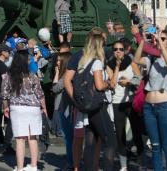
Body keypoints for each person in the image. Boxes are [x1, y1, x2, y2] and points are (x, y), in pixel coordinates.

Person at [64, 27, 116, 171]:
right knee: (110, 141)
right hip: (96, 105)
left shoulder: (82, 60)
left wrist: (78, 100)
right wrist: (108, 85)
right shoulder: (96, 62)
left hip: (85, 106)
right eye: (103, 42)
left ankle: (88, 168)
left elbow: (69, 80)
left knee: (90, 142)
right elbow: (99, 86)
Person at [135, 30, 167, 171]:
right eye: (158, 38)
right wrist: (142, 41)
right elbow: (136, 60)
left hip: (165, 105)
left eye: (163, 39)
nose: (159, 40)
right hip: (149, 106)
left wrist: (159, 43)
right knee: (155, 145)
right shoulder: (151, 59)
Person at [1, 50, 46, 171]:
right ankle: (33, 165)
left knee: (20, 139)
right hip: (33, 108)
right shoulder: (32, 75)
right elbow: (40, 94)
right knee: (32, 138)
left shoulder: (8, 76)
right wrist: (44, 107)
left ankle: (19, 168)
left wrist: (5, 107)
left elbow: (4, 94)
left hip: (17, 108)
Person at [107, 41, 140, 171]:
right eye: (115, 49)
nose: (118, 51)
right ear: (113, 51)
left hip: (131, 102)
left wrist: (129, 81)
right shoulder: (109, 65)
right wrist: (117, 66)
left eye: (121, 49)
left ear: (125, 51)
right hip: (117, 102)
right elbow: (113, 84)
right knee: (120, 135)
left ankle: (141, 162)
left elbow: (140, 78)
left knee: (136, 132)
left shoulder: (131, 63)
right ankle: (123, 166)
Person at [52, 52, 73, 170]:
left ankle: (71, 162)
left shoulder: (65, 75)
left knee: (68, 137)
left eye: (60, 60)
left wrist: (56, 74)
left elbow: (55, 88)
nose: (57, 62)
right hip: (63, 107)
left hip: (64, 108)